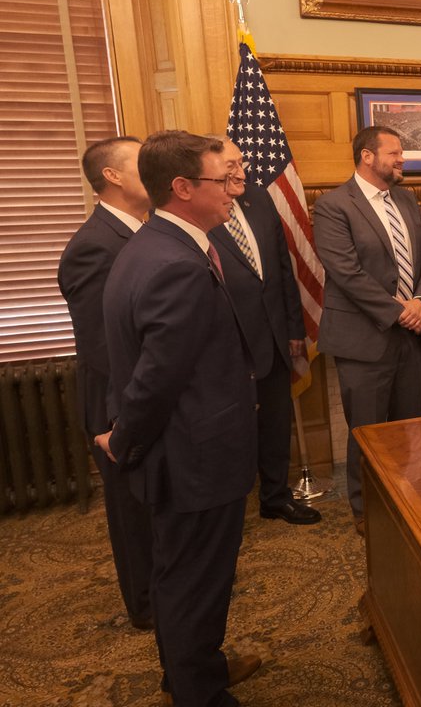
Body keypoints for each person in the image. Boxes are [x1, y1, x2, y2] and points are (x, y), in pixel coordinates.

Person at [96, 130, 261, 706]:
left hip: (184, 449)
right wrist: (124, 439)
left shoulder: (155, 245)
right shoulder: (176, 264)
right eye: (223, 180)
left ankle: (188, 672)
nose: (234, 191)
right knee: (198, 583)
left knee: (178, 575)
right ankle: (201, 692)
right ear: (183, 187)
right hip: (195, 457)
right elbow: (156, 377)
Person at [312, 126, 421, 535]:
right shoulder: (333, 205)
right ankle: (366, 509)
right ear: (368, 156)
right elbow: (346, 272)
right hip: (364, 339)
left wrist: (420, 303)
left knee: (409, 428)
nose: (403, 159)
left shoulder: (406, 198)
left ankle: (407, 500)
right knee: (367, 431)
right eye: (395, 153)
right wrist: (399, 311)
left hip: (411, 335)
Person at [56, 136, 154, 631]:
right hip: (120, 402)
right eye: (141, 163)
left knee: (156, 505)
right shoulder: (93, 245)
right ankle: (147, 606)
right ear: (112, 176)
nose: (152, 170)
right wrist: (131, 413)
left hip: (146, 397)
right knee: (132, 512)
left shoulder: (143, 231)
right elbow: (103, 346)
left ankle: (169, 591)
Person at [208, 138, 319, 525]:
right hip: (228, 346)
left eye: (242, 163)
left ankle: (275, 496)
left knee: (275, 423)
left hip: (273, 337)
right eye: (232, 165)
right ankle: (229, 514)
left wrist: (293, 328)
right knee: (230, 433)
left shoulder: (258, 198)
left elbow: (282, 268)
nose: (242, 172)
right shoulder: (198, 212)